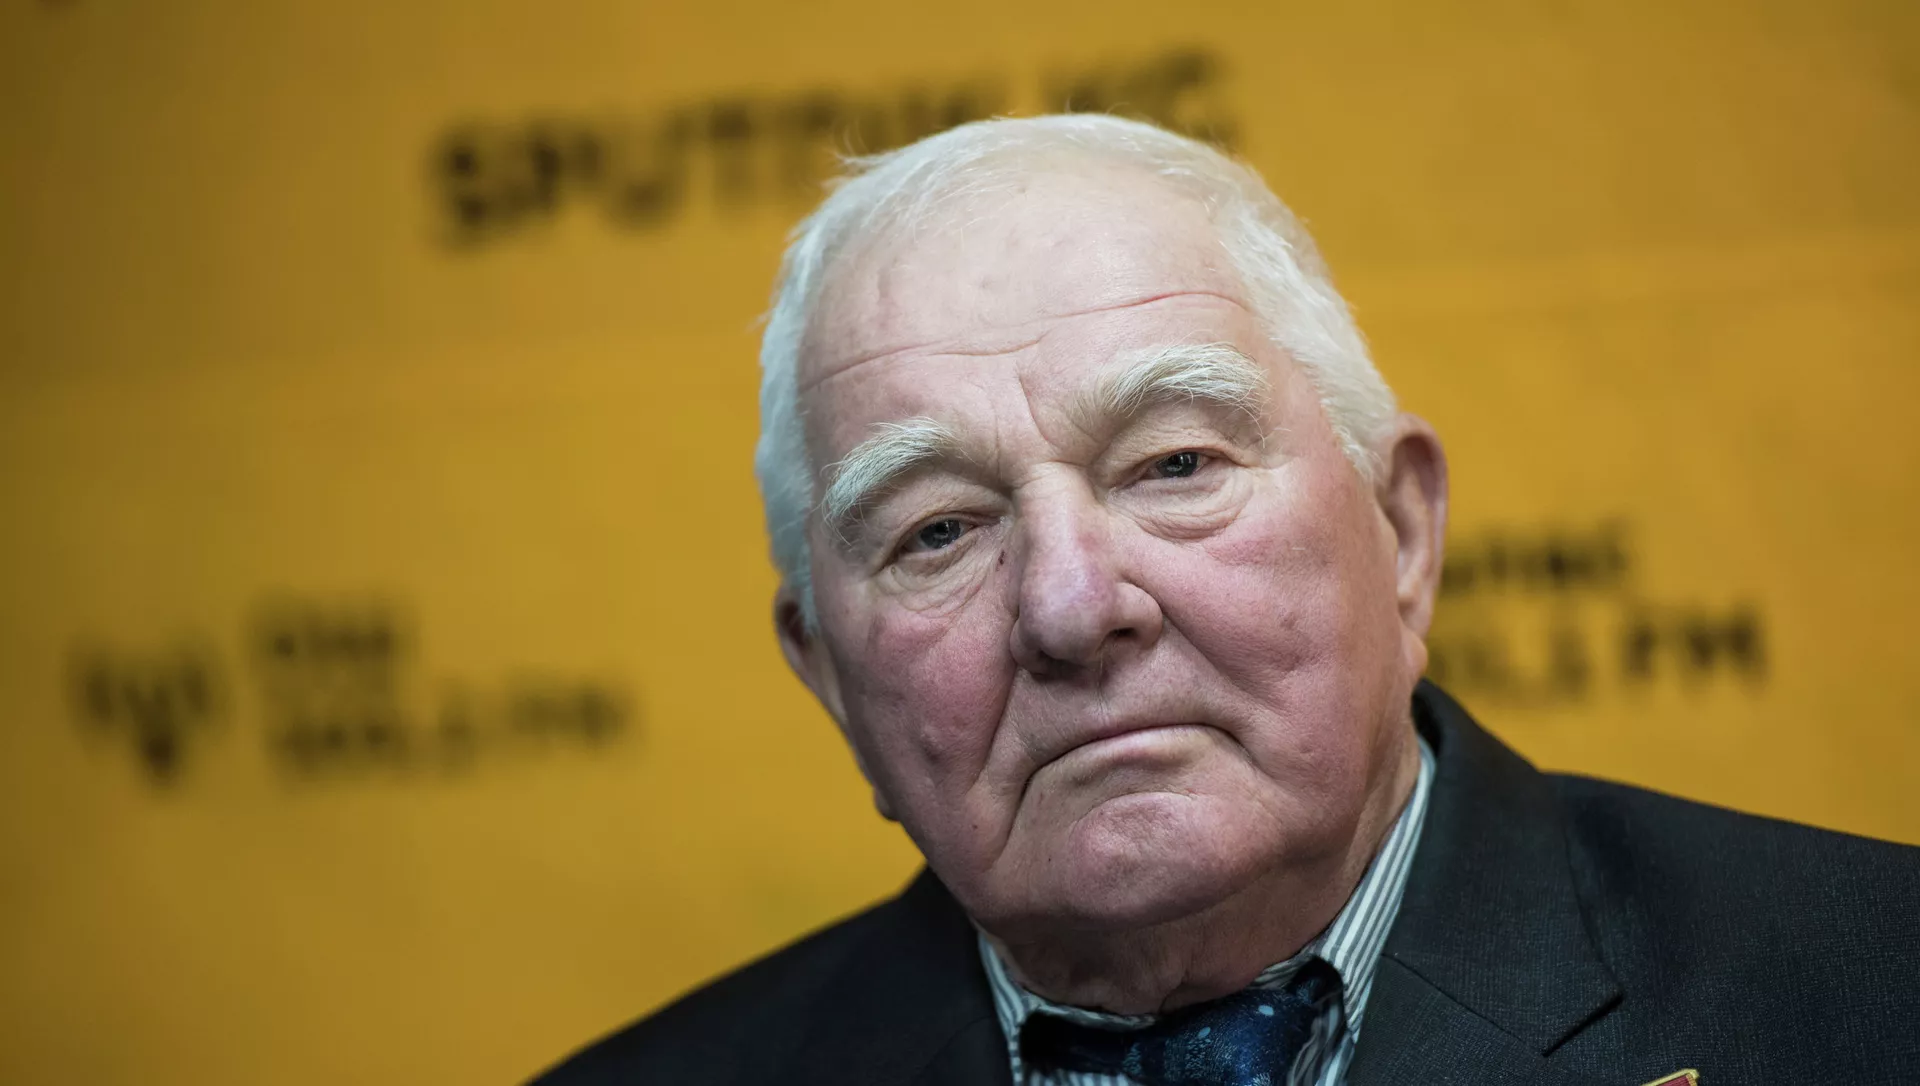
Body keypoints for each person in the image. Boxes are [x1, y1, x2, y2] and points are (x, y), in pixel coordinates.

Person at [531, 115, 1920, 1086]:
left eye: (1176, 464)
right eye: (939, 530)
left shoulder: (1873, 996)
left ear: (1401, 529)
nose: (1071, 606)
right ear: (830, 675)